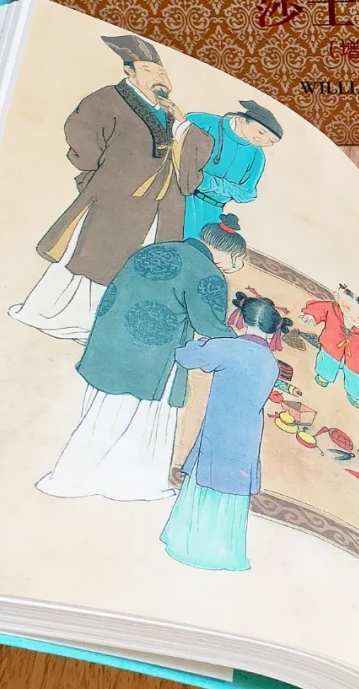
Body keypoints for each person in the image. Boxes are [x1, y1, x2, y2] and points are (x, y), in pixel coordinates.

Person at [10, 33, 213, 344]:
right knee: (91, 255)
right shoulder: (107, 98)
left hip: (159, 206)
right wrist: (103, 170)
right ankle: (54, 315)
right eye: (149, 70)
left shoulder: (171, 113)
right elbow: (80, 132)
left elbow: (194, 150)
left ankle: (97, 327)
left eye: (162, 72)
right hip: (116, 195)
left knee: (132, 265)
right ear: (129, 71)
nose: (159, 78)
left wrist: (182, 124)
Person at [36, 214, 246, 502]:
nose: (237, 265)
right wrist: (241, 344)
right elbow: (210, 325)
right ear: (226, 253)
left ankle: (73, 476)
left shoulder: (155, 249)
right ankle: (127, 483)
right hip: (152, 356)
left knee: (101, 411)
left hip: (110, 340)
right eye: (237, 259)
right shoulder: (208, 273)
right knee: (136, 418)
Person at [160, 294, 285, 571]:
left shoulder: (229, 347)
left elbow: (186, 356)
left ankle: (189, 545)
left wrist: (201, 342)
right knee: (232, 489)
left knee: (207, 482)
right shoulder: (270, 362)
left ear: (241, 318)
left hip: (220, 428)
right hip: (247, 436)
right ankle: (224, 553)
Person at [182, 99, 283, 238]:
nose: (264, 141)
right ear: (242, 120)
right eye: (261, 132)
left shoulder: (257, 156)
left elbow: (247, 193)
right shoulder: (202, 122)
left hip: (213, 211)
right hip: (179, 197)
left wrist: (209, 182)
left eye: (271, 141)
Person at [303, 285, 359, 408]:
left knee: (353, 376)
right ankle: (324, 377)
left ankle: (353, 394)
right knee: (327, 362)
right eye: (349, 308)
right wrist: (311, 317)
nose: (353, 316)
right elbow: (319, 309)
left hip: (352, 359)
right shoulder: (332, 310)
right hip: (331, 349)